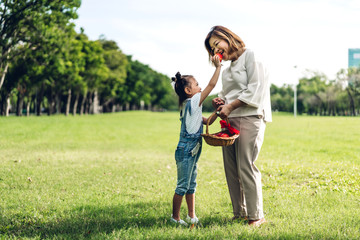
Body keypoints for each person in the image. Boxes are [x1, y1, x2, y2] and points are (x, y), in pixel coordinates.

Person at [204, 25, 272, 227]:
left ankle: (256, 215)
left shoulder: (251, 55)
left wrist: (231, 105)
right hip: (230, 120)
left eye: (217, 44)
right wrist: (221, 101)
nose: (216, 51)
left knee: (246, 165)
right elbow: (226, 93)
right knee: (231, 169)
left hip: (251, 116)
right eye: (212, 49)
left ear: (227, 37)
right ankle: (239, 213)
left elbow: (256, 87)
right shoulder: (228, 68)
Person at [170, 55, 222, 226]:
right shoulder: (192, 101)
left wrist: (218, 111)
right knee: (182, 186)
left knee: (191, 185)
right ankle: (175, 218)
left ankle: (191, 215)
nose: (200, 88)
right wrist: (217, 67)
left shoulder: (192, 106)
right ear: (188, 91)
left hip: (192, 151)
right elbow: (212, 85)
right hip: (186, 151)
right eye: (197, 85)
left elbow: (207, 122)